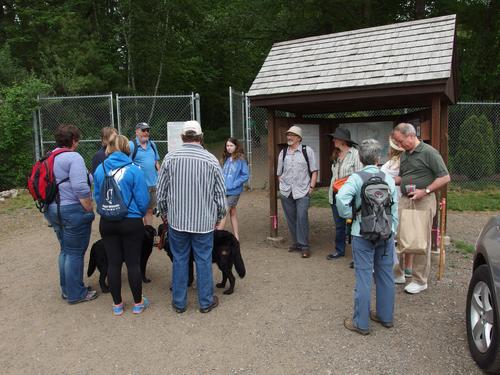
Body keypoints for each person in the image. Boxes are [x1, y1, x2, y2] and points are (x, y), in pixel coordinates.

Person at [157, 120, 226, 313]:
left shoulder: (170, 158)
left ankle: (179, 302)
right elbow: (220, 195)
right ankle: (205, 302)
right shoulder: (211, 160)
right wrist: (218, 217)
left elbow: (161, 193)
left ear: (182, 137)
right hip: (204, 222)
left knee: (180, 259)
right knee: (203, 259)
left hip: (177, 221)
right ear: (201, 137)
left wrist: (165, 215)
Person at [336, 139, 399, 335]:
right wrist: (393, 229)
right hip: (386, 233)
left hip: (362, 234)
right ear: (378, 158)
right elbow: (394, 205)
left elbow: (341, 199)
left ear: (361, 158)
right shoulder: (387, 178)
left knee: (363, 277)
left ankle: (361, 323)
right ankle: (385, 316)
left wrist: (349, 216)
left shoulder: (356, 178)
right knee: (385, 276)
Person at [93, 134, 150, 315]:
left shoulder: (100, 170)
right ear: (128, 148)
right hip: (131, 221)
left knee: (114, 263)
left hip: (107, 222)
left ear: (109, 147)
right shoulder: (134, 169)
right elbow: (143, 200)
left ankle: (117, 305)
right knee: (133, 263)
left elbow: (96, 196)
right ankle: (138, 303)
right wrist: (138, 215)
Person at [392, 122, 451, 294]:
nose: (399, 144)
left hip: (423, 200)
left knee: (420, 239)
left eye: (400, 141)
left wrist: (424, 191)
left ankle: (420, 280)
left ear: (411, 136)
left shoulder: (429, 152)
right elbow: (403, 177)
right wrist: (385, 178)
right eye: (397, 142)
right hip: (405, 199)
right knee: (401, 236)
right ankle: (399, 274)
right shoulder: (404, 155)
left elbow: (445, 177)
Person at [44, 124, 97, 304]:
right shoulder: (73, 157)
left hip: (52, 209)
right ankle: (76, 293)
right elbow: (81, 186)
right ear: (74, 140)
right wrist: (88, 207)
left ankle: (67, 290)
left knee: (65, 250)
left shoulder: (50, 156)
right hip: (72, 210)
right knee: (75, 252)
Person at [277, 125, 318, 258]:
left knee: (301, 217)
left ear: (299, 138)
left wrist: (311, 188)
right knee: (291, 218)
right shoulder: (283, 153)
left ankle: (305, 245)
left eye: (292, 135)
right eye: (288, 135)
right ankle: (297, 243)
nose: (289, 137)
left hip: (303, 191)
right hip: (286, 191)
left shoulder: (308, 151)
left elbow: (314, 171)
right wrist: (282, 184)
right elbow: (279, 173)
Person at [326, 128, 363, 261]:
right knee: (339, 225)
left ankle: (356, 255)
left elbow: (359, 176)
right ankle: (339, 250)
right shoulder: (336, 154)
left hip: (350, 197)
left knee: (353, 225)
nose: (334, 140)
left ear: (343, 140)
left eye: (336, 138)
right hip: (335, 195)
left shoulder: (355, 154)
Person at [380, 136, 412, 279]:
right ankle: (408, 267)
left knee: (394, 237)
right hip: (407, 200)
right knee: (407, 235)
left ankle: (397, 271)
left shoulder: (390, 165)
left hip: (393, 203)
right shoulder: (408, 162)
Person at [217, 137, 249, 241]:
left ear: (236, 146)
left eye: (231, 145)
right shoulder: (225, 158)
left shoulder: (241, 159)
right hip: (224, 191)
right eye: (227, 146)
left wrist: (234, 184)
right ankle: (236, 236)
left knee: (224, 212)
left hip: (234, 191)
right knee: (232, 212)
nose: (229, 148)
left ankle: (217, 237)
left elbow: (245, 175)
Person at [129, 122, 160, 226]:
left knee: (149, 210)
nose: (146, 132)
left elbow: (156, 162)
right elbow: (127, 165)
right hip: (139, 185)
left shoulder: (152, 144)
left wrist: (160, 177)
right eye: (143, 130)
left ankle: (148, 234)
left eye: (147, 130)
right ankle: (138, 234)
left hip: (152, 185)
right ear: (137, 132)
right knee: (138, 211)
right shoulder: (131, 145)